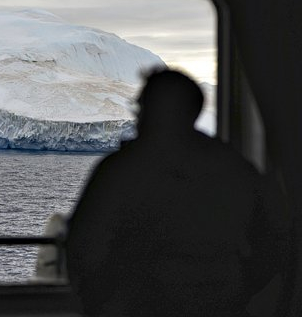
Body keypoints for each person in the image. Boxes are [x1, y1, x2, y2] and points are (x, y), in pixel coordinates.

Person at [66, 69, 290, 317]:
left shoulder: (124, 170)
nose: (137, 115)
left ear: (156, 111)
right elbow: (274, 239)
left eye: (141, 106)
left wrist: (102, 300)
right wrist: (239, 290)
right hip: (220, 305)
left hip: (138, 306)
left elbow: (84, 244)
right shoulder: (234, 168)